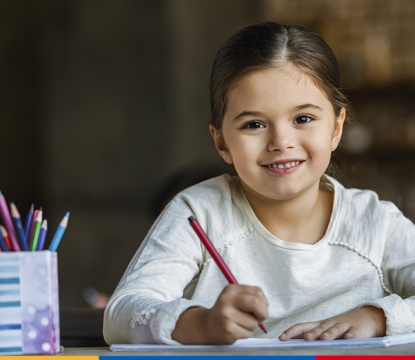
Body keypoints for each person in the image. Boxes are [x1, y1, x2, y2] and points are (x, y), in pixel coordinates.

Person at [103, 22, 415, 345]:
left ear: (336, 129)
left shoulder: (374, 223)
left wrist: (377, 317)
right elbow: (121, 314)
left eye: (303, 119)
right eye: (254, 124)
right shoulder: (199, 213)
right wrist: (202, 324)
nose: (281, 141)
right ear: (221, 142)